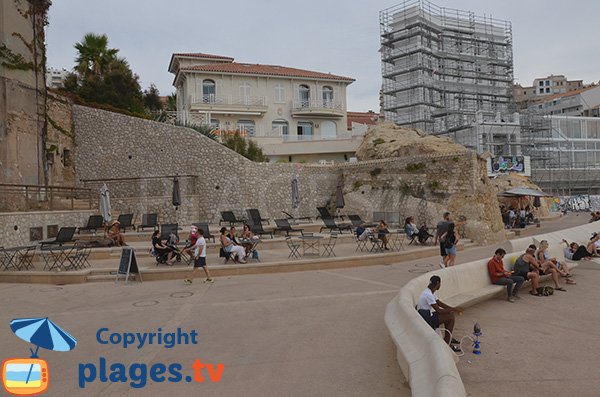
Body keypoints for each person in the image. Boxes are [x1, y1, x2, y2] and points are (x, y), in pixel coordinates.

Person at [416, 275, 464, 352]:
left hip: (429, 314)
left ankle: (448, 338)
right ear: (438, 284)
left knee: (449, 314)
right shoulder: (428, 295)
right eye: (440, 284)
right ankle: (447, 343)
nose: (440, 285)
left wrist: (453, 308)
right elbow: (439, 310)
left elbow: (439, 303)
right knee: (451, 317)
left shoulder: (430, 291)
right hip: (427, 318)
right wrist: (454, 309)